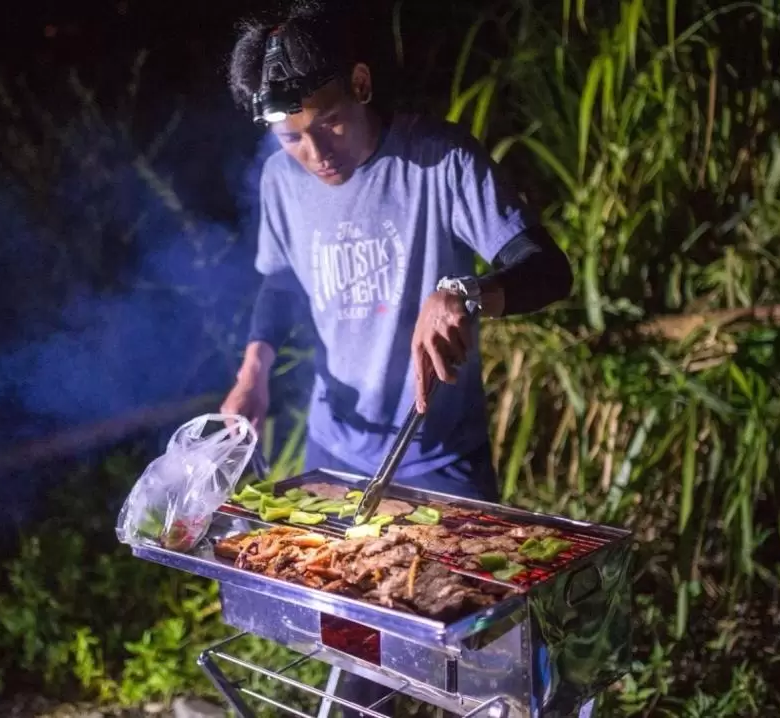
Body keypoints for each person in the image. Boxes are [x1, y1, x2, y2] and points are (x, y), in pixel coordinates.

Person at [221, 3, 574, 715]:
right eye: (290, 137)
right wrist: (253, 371)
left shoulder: (437, 160)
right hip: (336, 454)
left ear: (359, 81)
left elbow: (547, 270)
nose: (315, 154)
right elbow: (280, 280)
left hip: (437, 455)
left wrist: (468, 293)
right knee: (354, 642)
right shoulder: (282, 182)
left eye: (329, 123)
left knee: (487, 657)